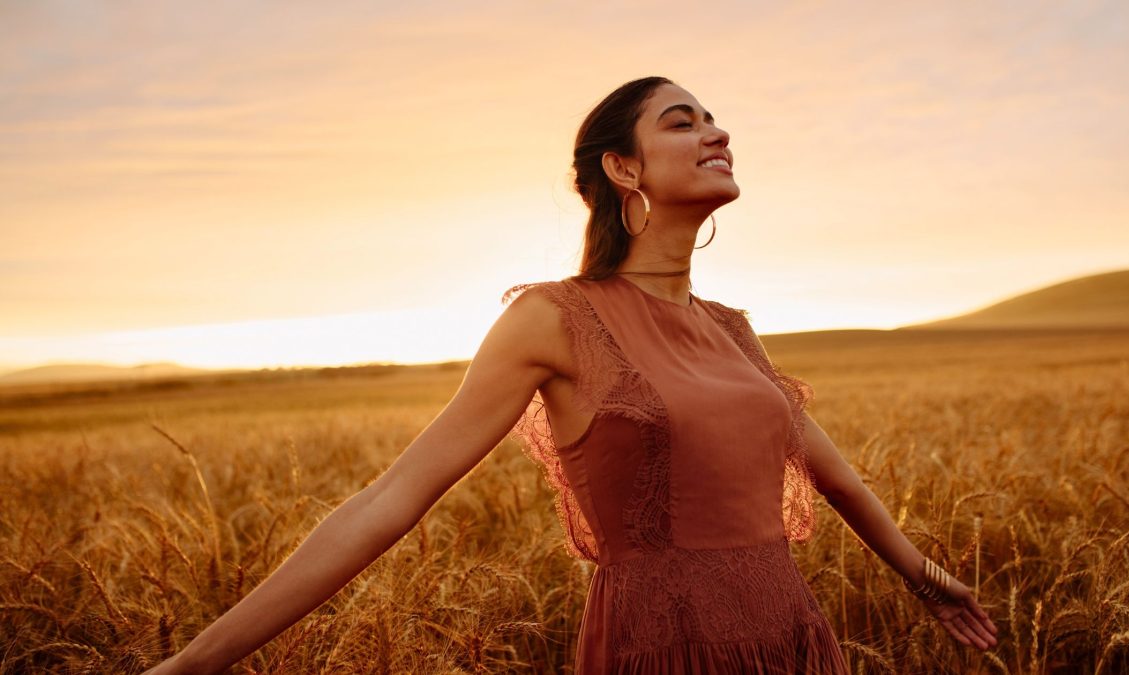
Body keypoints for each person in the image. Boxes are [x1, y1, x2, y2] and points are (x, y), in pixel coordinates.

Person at [145, 76, 998, 674]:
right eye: (682, 122)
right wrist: (193, 663)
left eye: (715, 119)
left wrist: (927, 580)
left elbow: (833, 474)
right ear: (624, 169)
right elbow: (390, 498)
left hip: (790, 639)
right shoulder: (554, 317)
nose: (717, 132)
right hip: (662, 648)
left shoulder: (733, 330)